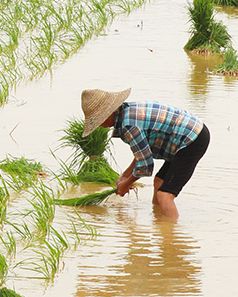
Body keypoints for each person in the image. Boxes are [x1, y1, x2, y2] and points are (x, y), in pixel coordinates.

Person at [80, 88, 209, 221]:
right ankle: (159, 222)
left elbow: (146, 165)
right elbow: (143, 153)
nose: (100, 125)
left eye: (99, 120)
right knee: (159, 182)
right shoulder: (127, 113)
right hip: (187, 135)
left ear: (108, 114)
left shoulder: (129, 125)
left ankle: (171, 231)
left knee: (165, 195)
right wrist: (125, 175)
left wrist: (126, 184)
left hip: (191, 139)